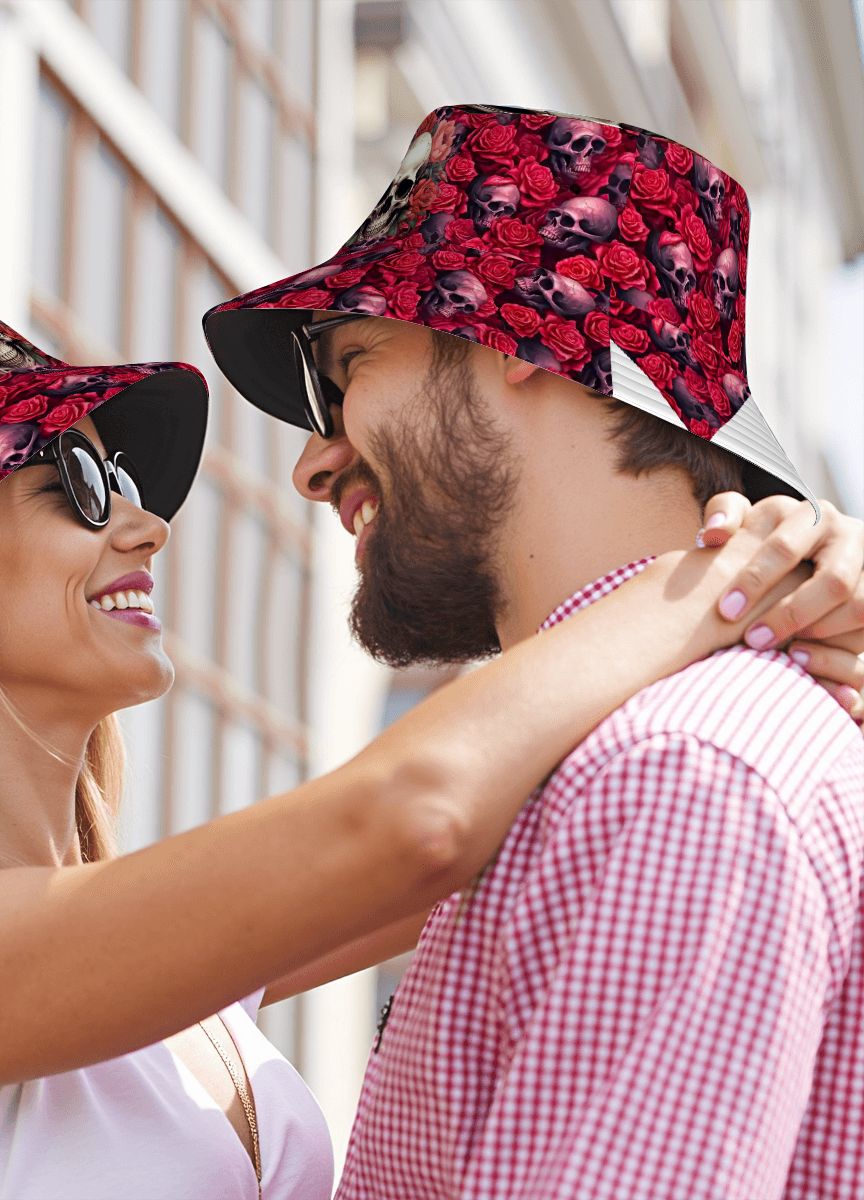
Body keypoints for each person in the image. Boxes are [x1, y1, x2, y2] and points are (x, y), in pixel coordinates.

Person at [0, 287, 859, 1200]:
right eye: (74, 483)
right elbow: (418, 816)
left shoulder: (178, 982)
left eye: (123, 481)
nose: (147, 524)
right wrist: (726, 575)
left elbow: (551, 810)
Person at [202, 103, 864, 1199]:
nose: (313, 466)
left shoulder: (671, 779)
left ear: (530, 339)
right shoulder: (600, 767)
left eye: (351, 364)